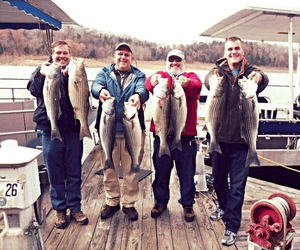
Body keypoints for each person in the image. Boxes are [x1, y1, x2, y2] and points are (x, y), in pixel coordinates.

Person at [204, 36, 269, 246]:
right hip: (219, 140)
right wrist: (212, 81)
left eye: (237, 48)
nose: (234, 52)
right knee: (219, 179)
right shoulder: (217, 73)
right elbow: (207, 79)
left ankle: (231, 227)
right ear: (225, 52)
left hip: (242, 143)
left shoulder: (250, 72)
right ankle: (222, 206)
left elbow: (262, 77)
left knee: (238, 186)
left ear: (242, 50)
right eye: (230, 49)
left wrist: (257, 79)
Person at [27, 40, 88, 229]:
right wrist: (40, 73)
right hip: (49, 129)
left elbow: (83, 94)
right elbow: (33, 89)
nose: (62, 57)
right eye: (58, 53)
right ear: (52, 54)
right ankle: (60, 209)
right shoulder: (44, 71)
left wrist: (71, 76)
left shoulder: (74, 72)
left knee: (74, 172)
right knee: (55, 172)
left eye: (65, 53)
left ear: (70, 55)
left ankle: (75, 207)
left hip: (72, 131)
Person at [91, 43, 149, 221]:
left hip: (132, 130)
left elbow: (144, 89)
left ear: (131, 58)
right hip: (110, 130)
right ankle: (112, 201)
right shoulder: (104, 73)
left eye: (127, 54)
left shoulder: (139, 75)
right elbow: (95, 86)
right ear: (114, 56)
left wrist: (138, 95)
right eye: (120, 54)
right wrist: (100, 91)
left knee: (132, 169)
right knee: (109, 168)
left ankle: (129, 204)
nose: (123, 57)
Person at [145, 49, 202, 222]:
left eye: (178, 60)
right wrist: (153, 80)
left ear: (183, 62)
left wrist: (186, 84)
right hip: (162, 135)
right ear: (166, 62)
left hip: (184, 137)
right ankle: (160, 201)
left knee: (186, 173)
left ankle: (187, 205)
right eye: (171, 60)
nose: (174, 63)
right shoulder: (162, 75)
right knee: (161, 171)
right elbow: (148, 84)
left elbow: (197, 86)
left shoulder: (191, 76)